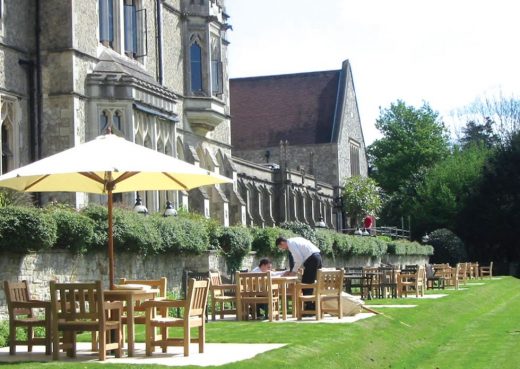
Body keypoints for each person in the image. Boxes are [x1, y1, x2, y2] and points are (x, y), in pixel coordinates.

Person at [276, 236, 322, 309]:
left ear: (282, 243)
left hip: (312, 259)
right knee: (312, 283)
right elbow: (303, 255)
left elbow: (299, 259)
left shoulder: (291, 244)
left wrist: (293, 272)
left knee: (306, 284)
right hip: (318, 257)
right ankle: (314, 306)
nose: (283, 249)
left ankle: (310, 308)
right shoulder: (295, 240)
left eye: (281, 247)